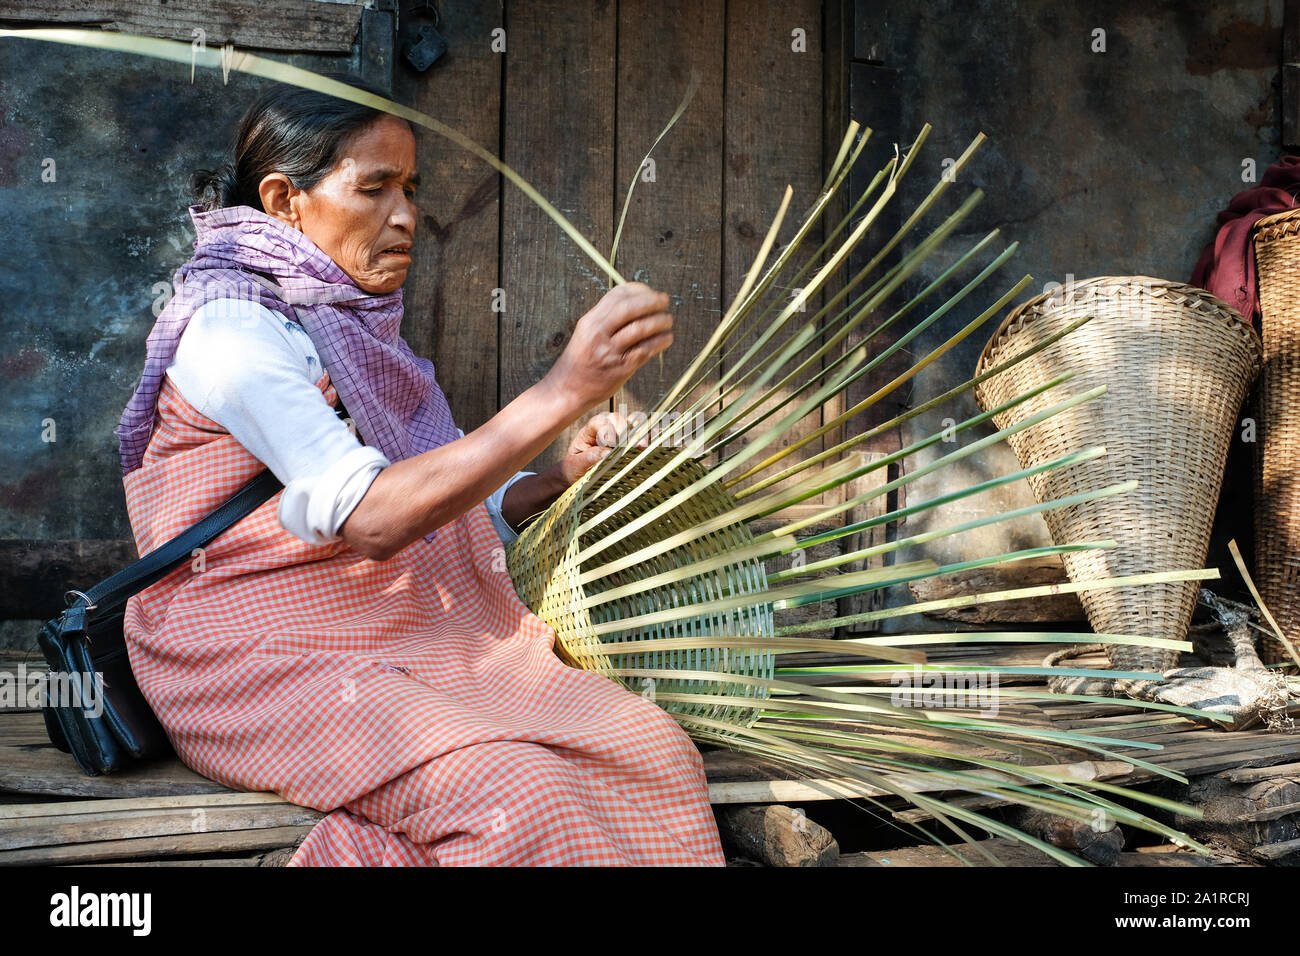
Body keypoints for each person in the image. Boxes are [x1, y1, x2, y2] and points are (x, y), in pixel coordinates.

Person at [114, 76, 727, 866]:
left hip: (408, 638)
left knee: (650, 748)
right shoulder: (231, 330)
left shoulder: (351, 325)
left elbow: (452, 503)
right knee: (514, 799)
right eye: (374, 189)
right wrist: (562, 392)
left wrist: (560, 478)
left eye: (409, 188)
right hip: (253, 657)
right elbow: (372, 517)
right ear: (283, 199)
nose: (405, 215)